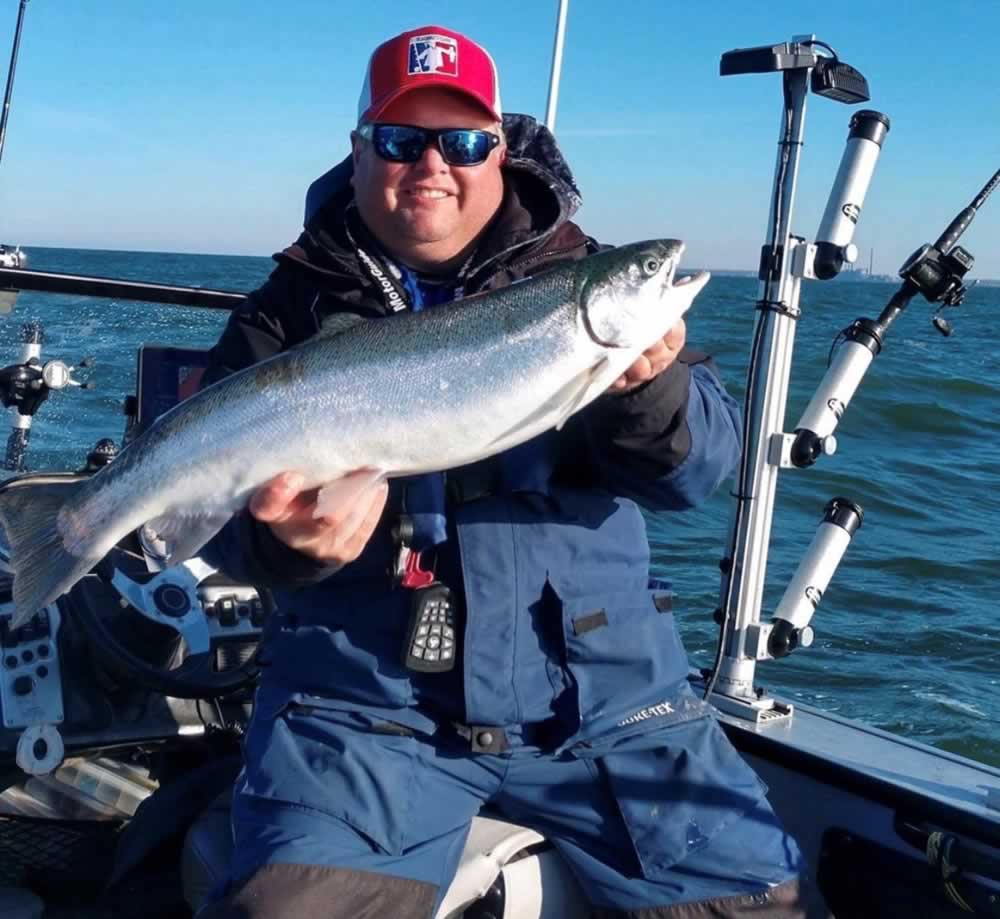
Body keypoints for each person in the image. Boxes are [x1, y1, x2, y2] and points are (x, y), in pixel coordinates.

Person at [197, 24, 819, 919]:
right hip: (364, 710)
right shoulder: (285, 312)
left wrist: (652, 387)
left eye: (462, 141)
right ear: (362, 149)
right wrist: (281, 543)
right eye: (403, 140)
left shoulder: (579, 277)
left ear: (502, 148)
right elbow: (217, 520)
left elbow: (700, 470)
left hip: (612, 704)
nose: (433, 165)